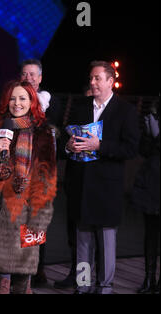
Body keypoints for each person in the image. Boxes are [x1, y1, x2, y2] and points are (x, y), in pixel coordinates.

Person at [0, 81, 57, 294]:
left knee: (22, 276)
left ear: (32, 102)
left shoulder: (42, 133)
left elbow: (47, 178)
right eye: (12, 98)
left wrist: (40, 218)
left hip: (26, 208)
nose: (16, 103)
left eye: (22, 98)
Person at [63, 60, 140, 294]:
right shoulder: (80, 106)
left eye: (97, 78)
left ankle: (104, 287)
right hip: (82, 186)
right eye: (91, 78)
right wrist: (68, 146)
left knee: (106, 243)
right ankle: (83, 284)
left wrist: (100, 145)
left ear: (110, 81)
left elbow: (131, 149)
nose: (92, 82)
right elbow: (67, 137)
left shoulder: (125, 110)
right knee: (83, 242)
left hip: (107, 189)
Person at [20, 58, 65, 286]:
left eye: (32, 75)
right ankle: (16, 270)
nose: (28, 78)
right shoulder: (13, 99)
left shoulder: (51, 102)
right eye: (24, 74)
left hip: (41, 172)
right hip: (18, 170)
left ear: (40, 78)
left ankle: (37, 269)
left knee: (38, 220)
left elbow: (55, 130)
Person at [131, 103, 160, 294]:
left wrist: (158, 135)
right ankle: (148, 279)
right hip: (152, 182)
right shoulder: (153, 114)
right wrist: (150, 133)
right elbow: (143, 150)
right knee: (150, 233)